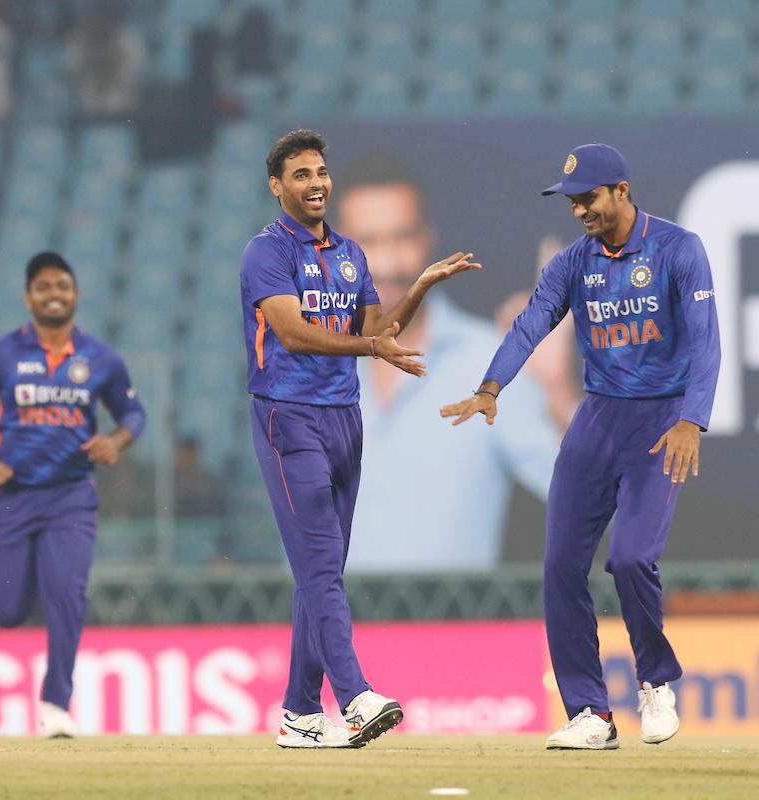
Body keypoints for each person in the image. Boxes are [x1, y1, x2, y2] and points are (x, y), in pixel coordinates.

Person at [441, 143, 721, 750]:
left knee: (629, 559)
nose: (579, 212)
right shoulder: (573, 262)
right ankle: (590, 712)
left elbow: (705, 341)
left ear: (621, 190)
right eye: (571, 203)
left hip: (662, 420)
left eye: (588, 199)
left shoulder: (678, 248)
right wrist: (490, 387)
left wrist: (691, 420)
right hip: (596, 421)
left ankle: (656, 682)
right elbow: (531, 324)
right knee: (561, 565)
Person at [240, 130, 479, 749]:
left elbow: (378, 325)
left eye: (321, 172)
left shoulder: (348, 253)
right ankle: (354, 697)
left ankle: (298, 713)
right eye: (300, 175)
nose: (315, 182)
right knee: (321, 564)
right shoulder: (265, 254)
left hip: (344, 417)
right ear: (277, 186)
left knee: (320, 568)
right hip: (287, 415)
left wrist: (420, 286)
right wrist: (371, 346)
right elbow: (292, 334)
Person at [334, 155, 572, 572]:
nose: (388, 263)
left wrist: (557, 389)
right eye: (367, 243)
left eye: (402, 238)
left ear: (429, 240)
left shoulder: (488, 360)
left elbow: (600, 500)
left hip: (448, 633)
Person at [0, 251, 145, 738]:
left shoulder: (101, 358)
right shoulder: (3, 354)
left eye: (63, 286)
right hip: (13, 497)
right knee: (5, 613)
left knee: (66, 594)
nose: (54, 294)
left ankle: (56, 705)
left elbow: (133, 415)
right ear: (28, 297)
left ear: (75, 294)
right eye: (44, 287)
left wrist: (115, 441)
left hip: (71, 496)